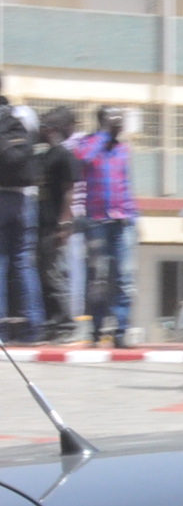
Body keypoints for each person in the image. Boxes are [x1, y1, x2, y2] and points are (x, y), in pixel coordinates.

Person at [72, 106, 136, 346]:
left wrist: (133, 216)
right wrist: (103, 135)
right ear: (104, 122)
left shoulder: (122, 150)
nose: (120, 124)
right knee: (98, 277)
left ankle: (121, 331)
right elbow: (82, 160)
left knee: (123, 277)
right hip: (96, 221)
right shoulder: (89, 145)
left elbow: (126, 185)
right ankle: (97, 329)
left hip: (121, 221)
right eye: (115, 120)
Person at [0, 98, 42, 344]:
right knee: (25, 264)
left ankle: (2, 332)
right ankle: (33, 329)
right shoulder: (24, 116)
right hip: (25, 198)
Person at [34, 109, 77, 342]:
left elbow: (70, 190)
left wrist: (65, 222)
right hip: (41, 223)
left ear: (52, 129)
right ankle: (52, 322)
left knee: (54, 274)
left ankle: (66, 325)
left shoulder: (63, 156)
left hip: (55, 224)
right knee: (44, 273)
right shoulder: (44, 156)